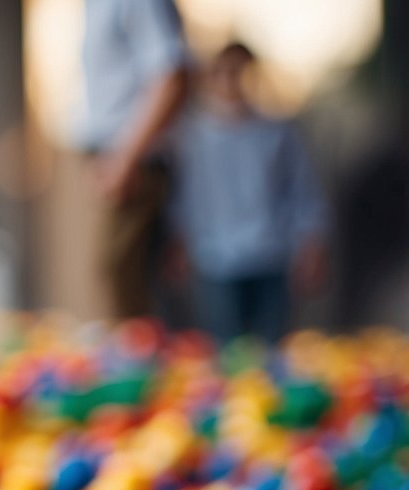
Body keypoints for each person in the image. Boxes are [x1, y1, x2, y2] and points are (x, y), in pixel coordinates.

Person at [169, 43, 328, 344]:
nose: (231, 82)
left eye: (239, 72)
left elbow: (303, 192)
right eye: (223, 73)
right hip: (216, 261)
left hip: (271, 256)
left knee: (273, 346)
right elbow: (184, 197)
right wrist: (179, 241)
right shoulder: (192, 138)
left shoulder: (279, 133)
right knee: (226, 349)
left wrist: (311, 244)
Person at [80, 0, 191, 320]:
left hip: (135, 159)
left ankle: (144, 367)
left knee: (122, 277)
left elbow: (171, 76)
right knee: (124, 279)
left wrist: (125, 157)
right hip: (117, 155)